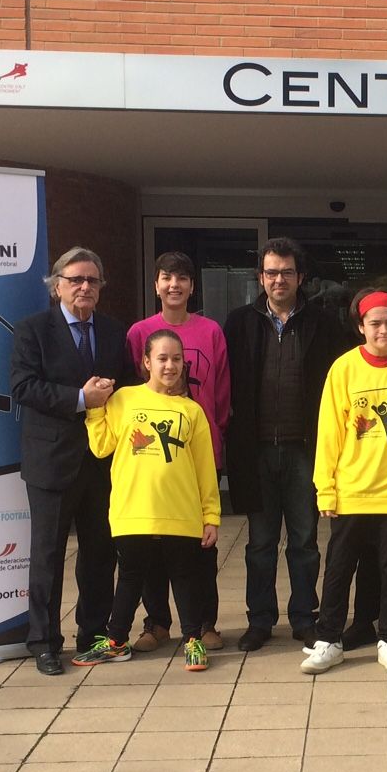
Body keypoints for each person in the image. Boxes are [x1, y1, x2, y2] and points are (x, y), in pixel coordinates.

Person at [224, 238, 351, 652]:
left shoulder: (324, 323)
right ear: (260, 277)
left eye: (287, 272)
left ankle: (303, 618)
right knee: (260, 543)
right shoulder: (239, 322)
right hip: (256, 449)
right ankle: (259, 620)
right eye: (272, 272)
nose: (279, 279)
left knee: (304, 541)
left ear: (301, 277)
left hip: (304, 450)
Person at [10, 246, 132, 677]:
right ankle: (43, 642)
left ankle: (93, 634)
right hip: (51, 461)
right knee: (47, 555)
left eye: (93, 280)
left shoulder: (116, 332)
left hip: (102, 462)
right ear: (56, 285)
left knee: (101, 553)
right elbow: (23, 387)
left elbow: (130, 387)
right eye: (76, 279)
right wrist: (82, 398)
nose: (85, 287)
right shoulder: (33, 330)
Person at [302, 288, 387, 676]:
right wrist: (325, 487)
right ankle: (329, 639)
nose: (384, 330)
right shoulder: (343, 369)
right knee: (339, 568)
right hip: (351, 489)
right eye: (375, 323)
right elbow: (329, 433)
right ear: (361, 326)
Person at [81, 330, 221, 671]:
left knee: (184, 577)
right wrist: (95, 409)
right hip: (133, 511)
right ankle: (116, 641)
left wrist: (211, 515)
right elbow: (101, 446)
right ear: (146, 362)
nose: (170, 365)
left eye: (176, 359)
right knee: (130, 577)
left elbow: (205, 467)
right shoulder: (124, 399)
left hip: (180, 511)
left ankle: (193, 641)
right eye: (162, 358)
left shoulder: (192, 411)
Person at [125, 251, 231, 656]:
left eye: (183, 278)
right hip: (151, 460)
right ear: (156, 284)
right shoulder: (140, 332)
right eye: (167, 277)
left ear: (192, 286)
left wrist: (212, 435)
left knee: (201, 546)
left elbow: (221, 393)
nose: (175, 285)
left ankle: (205, 623)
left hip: (198, 452)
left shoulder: (211, 331)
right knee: (152, 546)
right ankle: (157, 622)